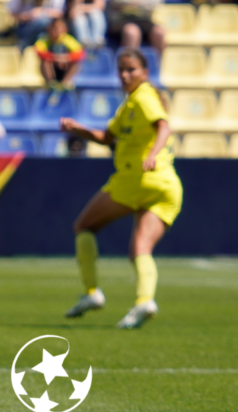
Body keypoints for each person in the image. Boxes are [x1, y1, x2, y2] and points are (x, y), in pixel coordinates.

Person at [59, 47, 182, 329]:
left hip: (137, 179)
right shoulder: (129, 105)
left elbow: (163, 126)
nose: (125, 75)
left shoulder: (144, 97)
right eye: (121, 71)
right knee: (140, 248)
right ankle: (145, 301)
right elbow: (107, 137)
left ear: (145, 73)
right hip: (166, 185)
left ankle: (92, 293)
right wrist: (79, 130)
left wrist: (152, 153)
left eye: (131, 70)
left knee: (84, 226)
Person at [34, 17, 84, 88]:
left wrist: (65, 58)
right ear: (49, 29)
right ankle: (51, 83)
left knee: (75, 63)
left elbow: (80, 54)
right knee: (45, 62)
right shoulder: (45, 39)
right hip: (52, 69)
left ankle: (65, 83)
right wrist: (56, 58)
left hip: (64, 69)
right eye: (55, 28)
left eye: (60, 28)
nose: (57, 31)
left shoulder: (68, 40)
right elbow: (39, 52)